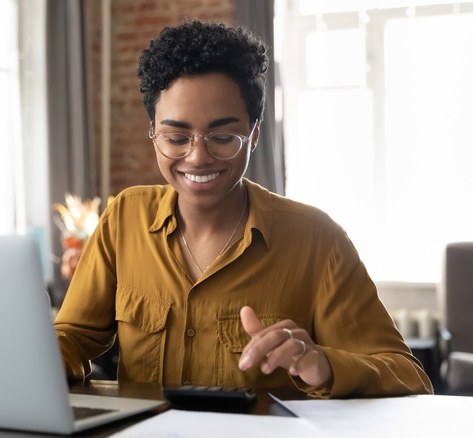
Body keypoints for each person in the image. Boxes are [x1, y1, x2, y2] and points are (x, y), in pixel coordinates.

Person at [54, 20, 433, 398]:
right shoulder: (124, 219)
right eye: (176, 137)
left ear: (254, 135)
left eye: (222, 137)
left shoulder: (318, 241)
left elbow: (409, 376)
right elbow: (72, 336)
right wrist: (41, 355)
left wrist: (324, 365)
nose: (198, 157)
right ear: (153, 132)